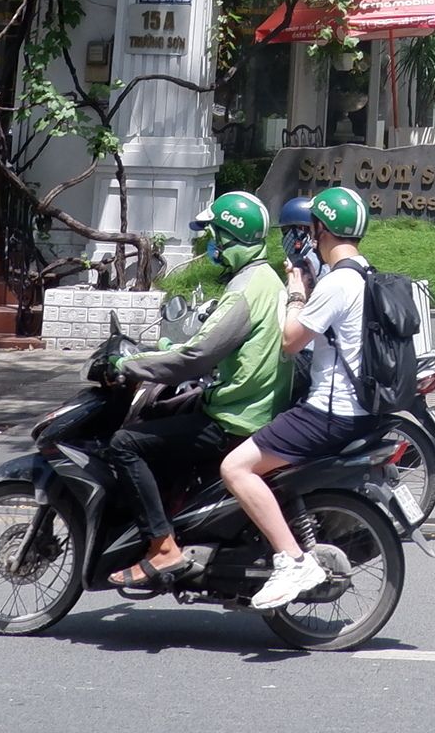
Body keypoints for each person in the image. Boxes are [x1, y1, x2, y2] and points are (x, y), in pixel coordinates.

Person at [98, 190, 289, 591]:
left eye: (214, 236)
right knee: (159, 421)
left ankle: (163, 548)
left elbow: (197, 357)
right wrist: (165, 349)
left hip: (233, 417)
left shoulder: (244, 291)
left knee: (123, 444)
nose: (211, 245)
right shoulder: (265, 279)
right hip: (248, 404)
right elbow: (213, 344)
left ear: (231, 237)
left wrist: (128, 364)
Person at [225, 184, 386, 613]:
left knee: (236, 466)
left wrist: (296, 291)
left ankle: (293, 560)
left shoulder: (338, 282)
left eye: (312, 227)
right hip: (358, 410)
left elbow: (291, 340)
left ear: (320, 229)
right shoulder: (367, 272)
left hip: (329, 412)